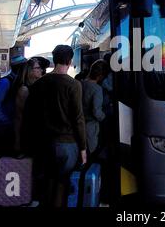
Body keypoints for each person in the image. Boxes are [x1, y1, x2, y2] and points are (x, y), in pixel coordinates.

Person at [25, 45, 87, 207]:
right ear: (70, 61)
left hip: (43, 142)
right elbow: (78, 118)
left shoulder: (39, 84)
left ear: (54, 59)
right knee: (62, 183)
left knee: (46, 182)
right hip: (67, 144)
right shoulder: (73, 85)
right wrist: (83, 147)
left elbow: (30, 115)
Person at [0, 55, 27, 156]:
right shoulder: (5, 82)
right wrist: (7, 122)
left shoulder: (17, 82)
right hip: (4, 130)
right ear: (22, 68)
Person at [11, 57, 48, 154]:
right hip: (28, 133)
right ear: (29, 70)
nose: (41, 70)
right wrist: (17, 141)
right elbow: (18, 116)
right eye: (38, 68)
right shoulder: (24, 89)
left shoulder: (38, 87)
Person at [81, 60, 108, 157]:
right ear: (101, 75)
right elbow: (96, 112)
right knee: (91, 154)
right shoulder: (97, 89)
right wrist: (105, 118)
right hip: (90, 128)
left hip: (79, 125)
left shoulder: (81, 83)